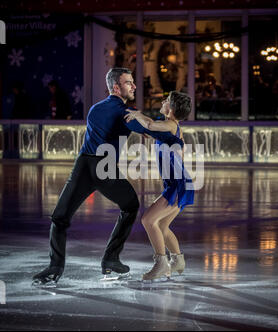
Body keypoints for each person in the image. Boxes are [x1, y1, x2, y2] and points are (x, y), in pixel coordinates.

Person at [32, 68, 183, 286]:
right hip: (105, 168)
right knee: (131, 206)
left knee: (59, 217)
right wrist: (175, 139)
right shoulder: (125, 113)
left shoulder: (94, 109)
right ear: (116, 87)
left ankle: (55, 267)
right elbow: (153, 132)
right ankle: (111, 259)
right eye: (129, 83)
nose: (134, 86)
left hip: (84, 166)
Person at [124, 91, 194, 281]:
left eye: (166, 101)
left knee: (148, 220)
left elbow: (150, 124)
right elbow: (151, 129)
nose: (162, 102)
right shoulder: (170, 128)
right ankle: (178, 260)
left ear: (171, 109)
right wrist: (150, 132)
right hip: (178, 184)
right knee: (162, 225)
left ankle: (161, 264)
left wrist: (138, 114)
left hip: (178, 185)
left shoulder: (171, 124)